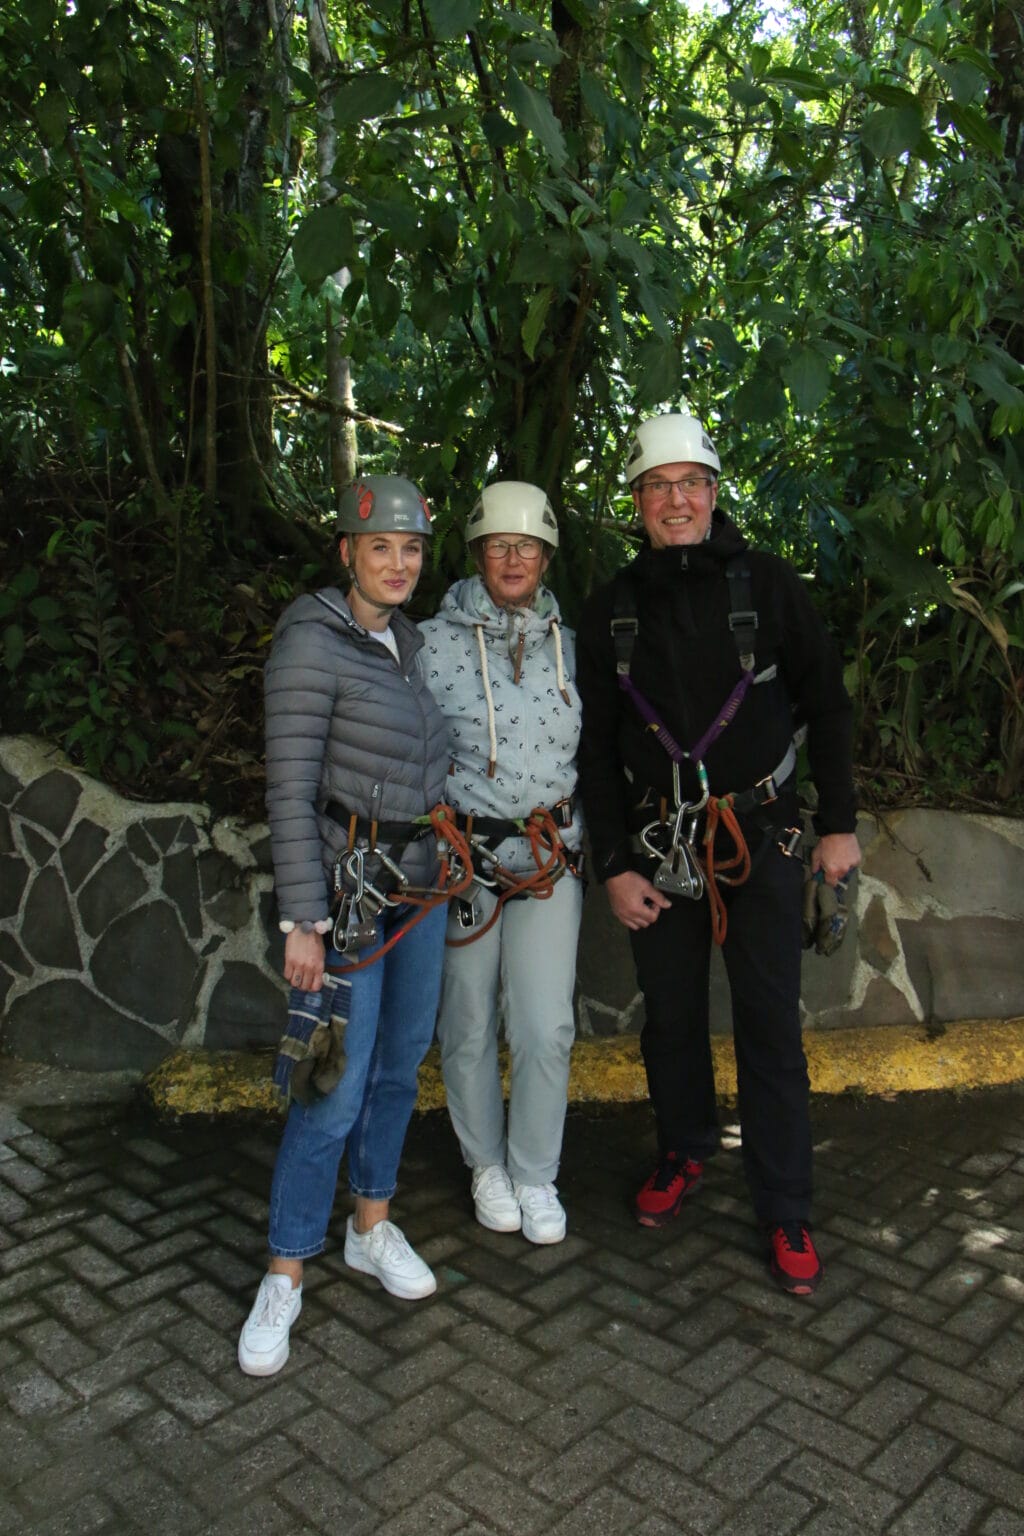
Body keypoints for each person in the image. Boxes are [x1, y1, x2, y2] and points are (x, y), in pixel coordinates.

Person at [575, 414, 860, 1295]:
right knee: (670, 1018)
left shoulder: (768, 587)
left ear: (713, 493)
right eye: (658, 487)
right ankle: (686, 1147)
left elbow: (829, 703)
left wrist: (839, 826)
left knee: (771, 1026)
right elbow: (593, 748)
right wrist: (614, 864)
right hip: (659, 848)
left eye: (690, 484)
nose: (676, 501)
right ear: (636, 501)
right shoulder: (613, 605)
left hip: (763, 840)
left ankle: (785, 1203)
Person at [238, 474, 451, 1377]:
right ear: (347, 554)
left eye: (410, 550)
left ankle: (370, 1223)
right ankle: (284, 1272)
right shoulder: (311, 642)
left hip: (420, 890)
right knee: (332, 1085)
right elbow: (289, 790)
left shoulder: (403, 639)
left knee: (398, 1070)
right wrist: (303, 920)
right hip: (347, 898)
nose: (398, 564)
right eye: (381, 549)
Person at [420, 482, 584, 1244]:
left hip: (550, 855)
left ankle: (534, 1173)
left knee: (546, 1025)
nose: (513, 558)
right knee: (467, 1019)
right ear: (479, 553)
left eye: (528, 547)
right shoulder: (428, 642)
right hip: (466, 858)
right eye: (499, 545)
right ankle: (485, 1163)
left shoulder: (569, 643)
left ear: (546, 557)